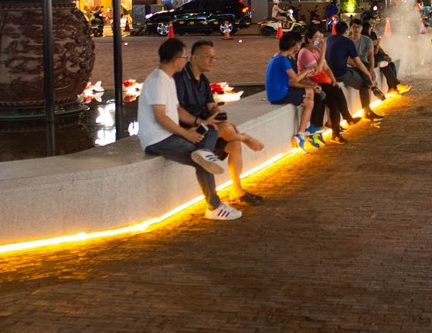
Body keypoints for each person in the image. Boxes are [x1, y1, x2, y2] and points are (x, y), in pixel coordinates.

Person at [137, 38, 241, 221]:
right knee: (203, 161)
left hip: (169, 134)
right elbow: (160, 117)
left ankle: (203, 151)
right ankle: (214, 206)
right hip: (157, 139)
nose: (186, 61)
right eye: (184, 57)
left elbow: (177, 110)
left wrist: (200, 122)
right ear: (176, 59)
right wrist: (187, 134)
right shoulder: (158, 81)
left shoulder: (167, 79)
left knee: (211, 130)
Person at [176, 40, 266, 205]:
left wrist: (217, 115)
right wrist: (208, 122)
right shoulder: (180, 79)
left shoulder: (202, 80)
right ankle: (246, 138)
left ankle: (237, 189)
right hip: (190, 128)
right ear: (194, 57)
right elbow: (177, 110)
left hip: (205, 124)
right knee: (228, 131)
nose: (212, 61)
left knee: (233, 144)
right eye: (208, 57)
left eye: (213, 57)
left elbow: (211, 105)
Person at [265, 30, 322, 149]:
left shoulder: (277, 57)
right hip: (279, 95)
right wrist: (306, 71)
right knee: (310, 102)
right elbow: (295, 79)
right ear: (293, 46)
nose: (299, 47)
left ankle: (307, 127)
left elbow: (291, 81)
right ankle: (302, 132)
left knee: (310, 92)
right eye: (298, 44)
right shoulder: (283, 60)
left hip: (277, 92)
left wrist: (309, 86)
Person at [299, 25, 354, 141]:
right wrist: (324, 49)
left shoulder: (317, 50)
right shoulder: (305, 52)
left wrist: (334, 80)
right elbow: (317, 70)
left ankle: (336, 131)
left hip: (321, 81)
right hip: (312, 82)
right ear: (309, 39)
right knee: (334, 93)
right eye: (317, 38)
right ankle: (346, 117)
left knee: (334, 96)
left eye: (320, 37)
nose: (319, 40)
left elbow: (327, 68)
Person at [326, 19, 384, 123]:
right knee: (364, 84)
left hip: (330, 71)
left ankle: (371, 91)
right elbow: (358, 62)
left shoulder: (330, 39)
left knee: (362, 69)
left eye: (358, 27)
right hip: (341, 73)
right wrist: (368, 73)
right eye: (352, 27)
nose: (355, 29)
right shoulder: (348, 42)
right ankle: (367, 109)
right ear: (347, 31)